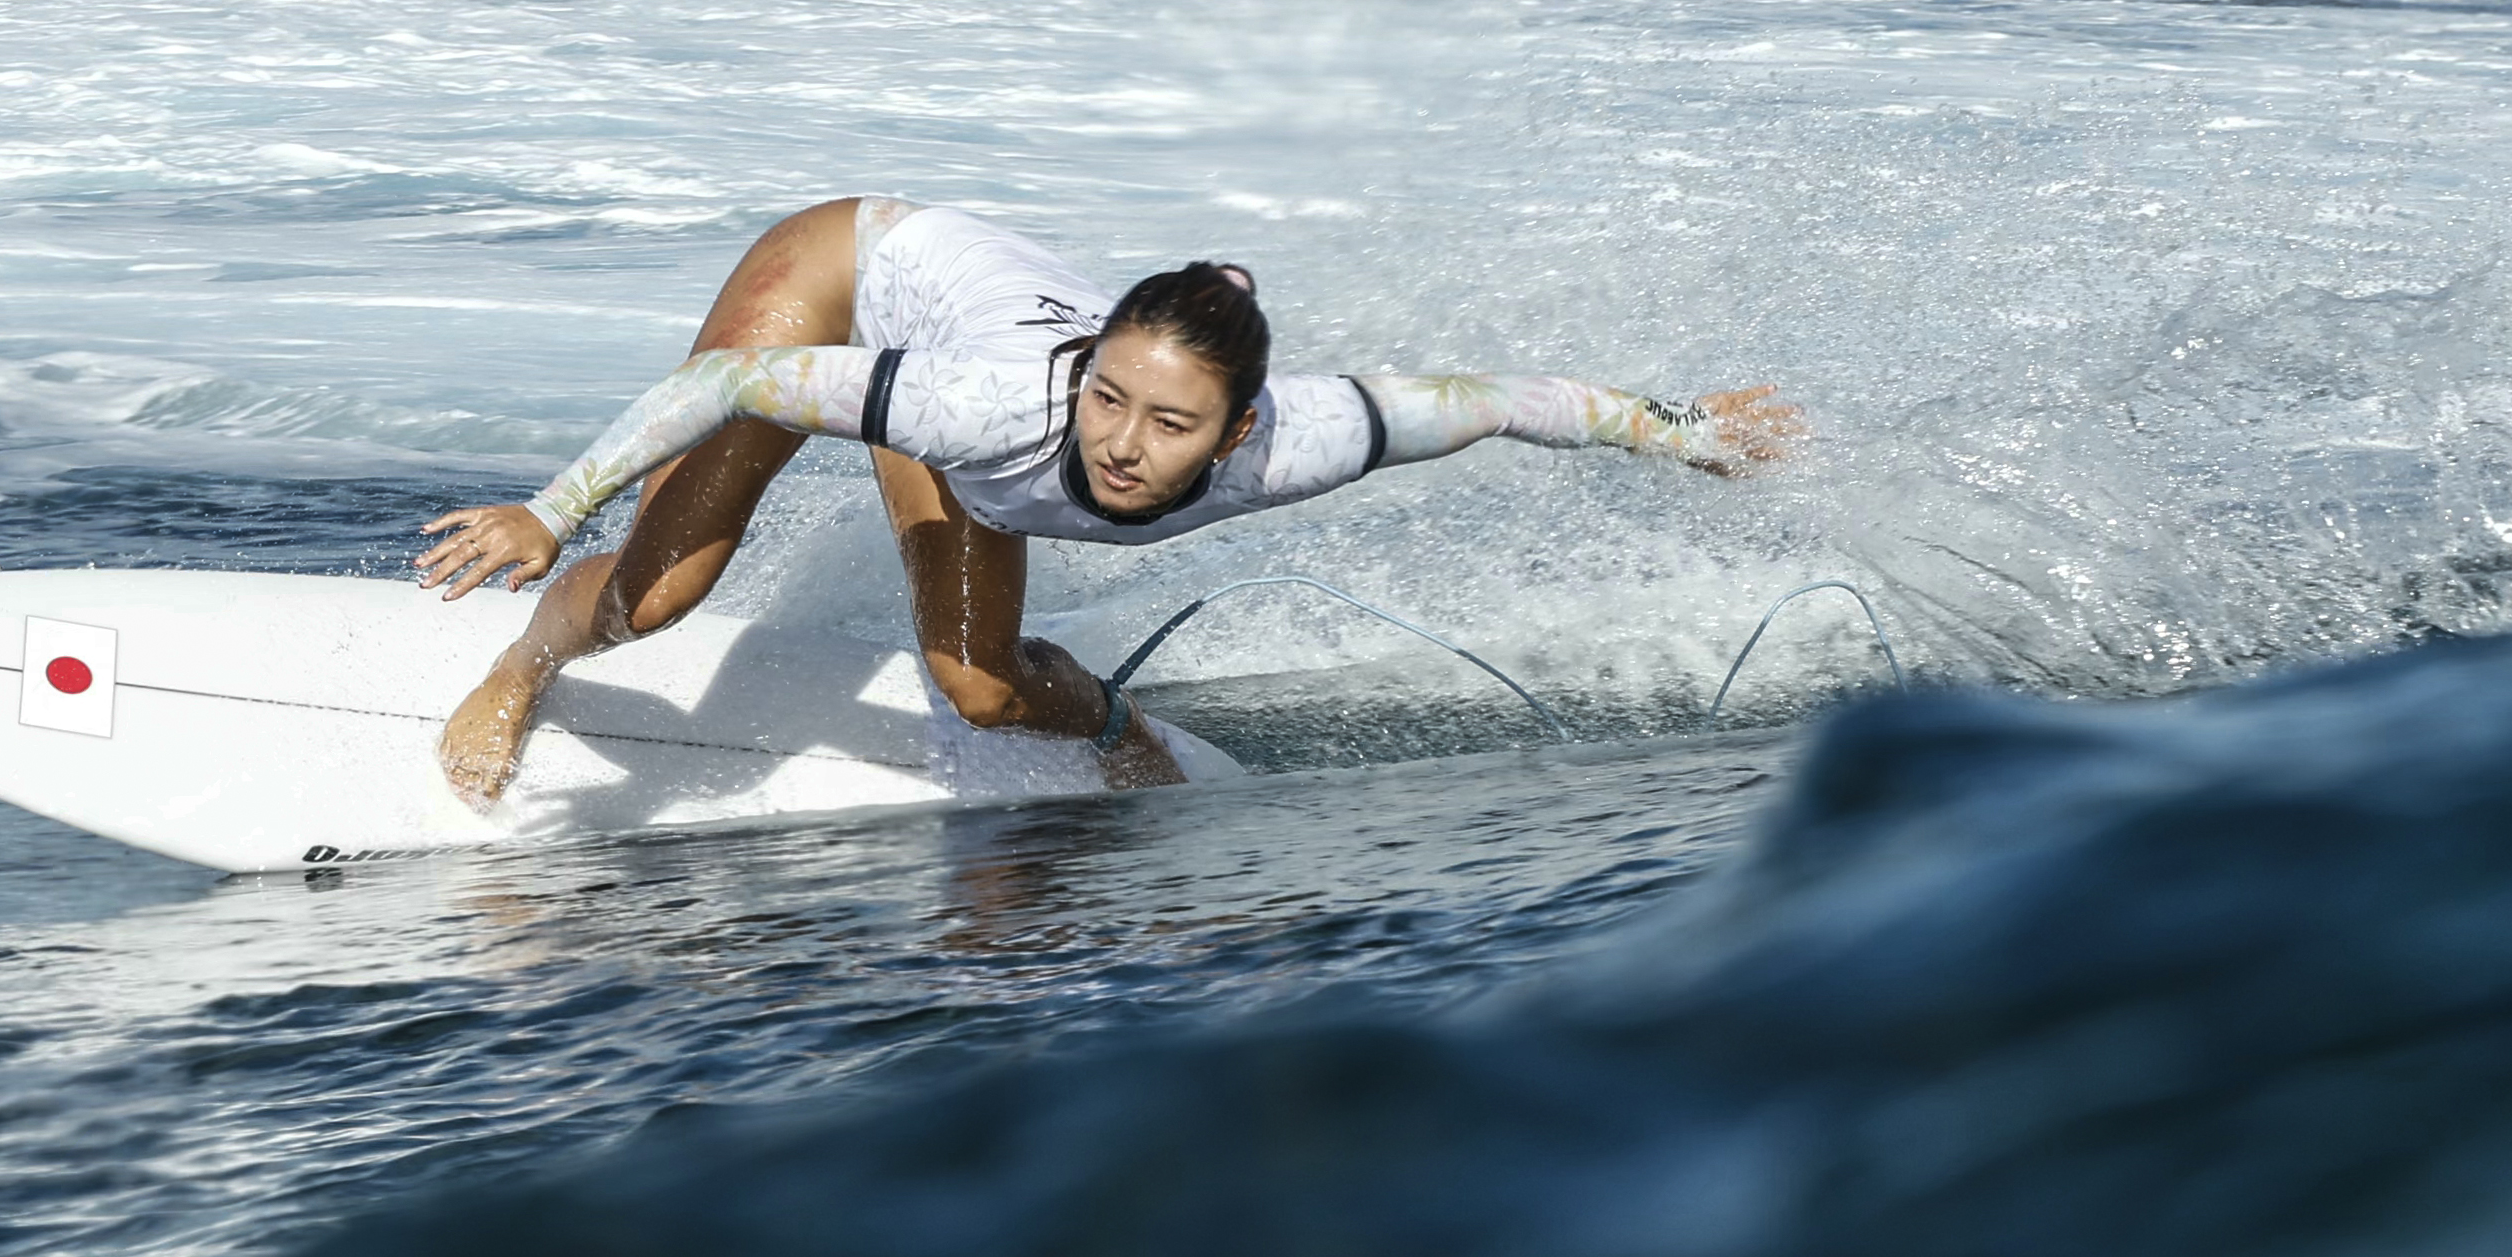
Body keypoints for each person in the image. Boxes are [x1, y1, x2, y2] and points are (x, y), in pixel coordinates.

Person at [413, 197, 1799, 801]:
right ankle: (531, 663)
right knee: (664, 593)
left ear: (1239, 431)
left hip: (944, 386)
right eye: (1113, 402)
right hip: (842, 282)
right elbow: (742, 383)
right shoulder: (1006, 406)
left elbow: (1500, 400)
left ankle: (1118, 720)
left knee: (985, 689)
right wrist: (557, 505)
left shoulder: (1296, 438)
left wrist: (1684, 432)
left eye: (1172, 424)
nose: (1127, 446)